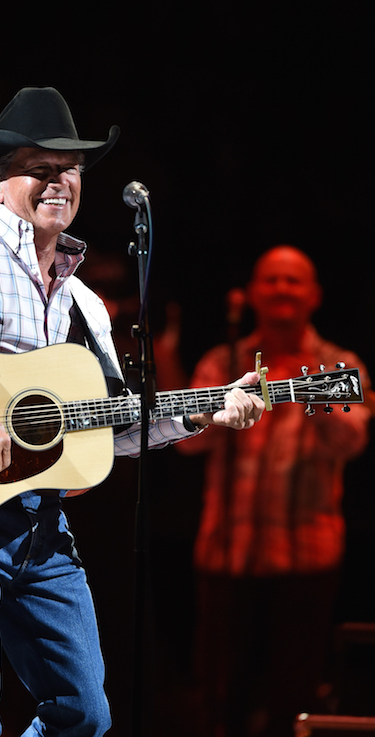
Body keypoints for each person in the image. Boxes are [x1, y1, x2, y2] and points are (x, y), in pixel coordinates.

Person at [0, 87, 265, 737]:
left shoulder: (85, 302)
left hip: (43, 527)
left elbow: (106, 427)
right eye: (40, 167)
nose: (60, 181)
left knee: (84, 714)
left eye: (71, 170)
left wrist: (201, 412)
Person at [177, 245, 371, 737]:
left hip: (305, 558)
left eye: (294, 280)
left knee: (294, 697)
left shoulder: (339, 364)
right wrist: (215, 414)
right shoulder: (224, 359)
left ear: (314, 295)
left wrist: (318, 395)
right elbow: (186, 446)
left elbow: (353, 442)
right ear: (251, 294)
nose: (283, 289)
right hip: (226, 555)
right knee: (220, 701)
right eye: (272, 280)